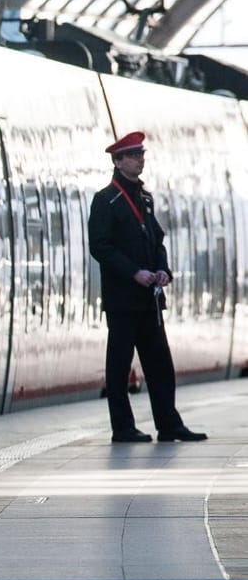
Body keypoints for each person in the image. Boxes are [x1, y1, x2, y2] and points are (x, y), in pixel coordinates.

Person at [88, 131, 206, 443]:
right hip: (123, 300)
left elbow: (156, 239)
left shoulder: (145, 199)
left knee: (160, 364)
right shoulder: (106, 201)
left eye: (142, 154)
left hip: (150, 300)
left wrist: (162, 269)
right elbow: (100, 246)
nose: (141, 160)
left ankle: (169, 423)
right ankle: (123, 428)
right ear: (118, 161)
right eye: (134, 155)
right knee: (119, 366)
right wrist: (133, 273)